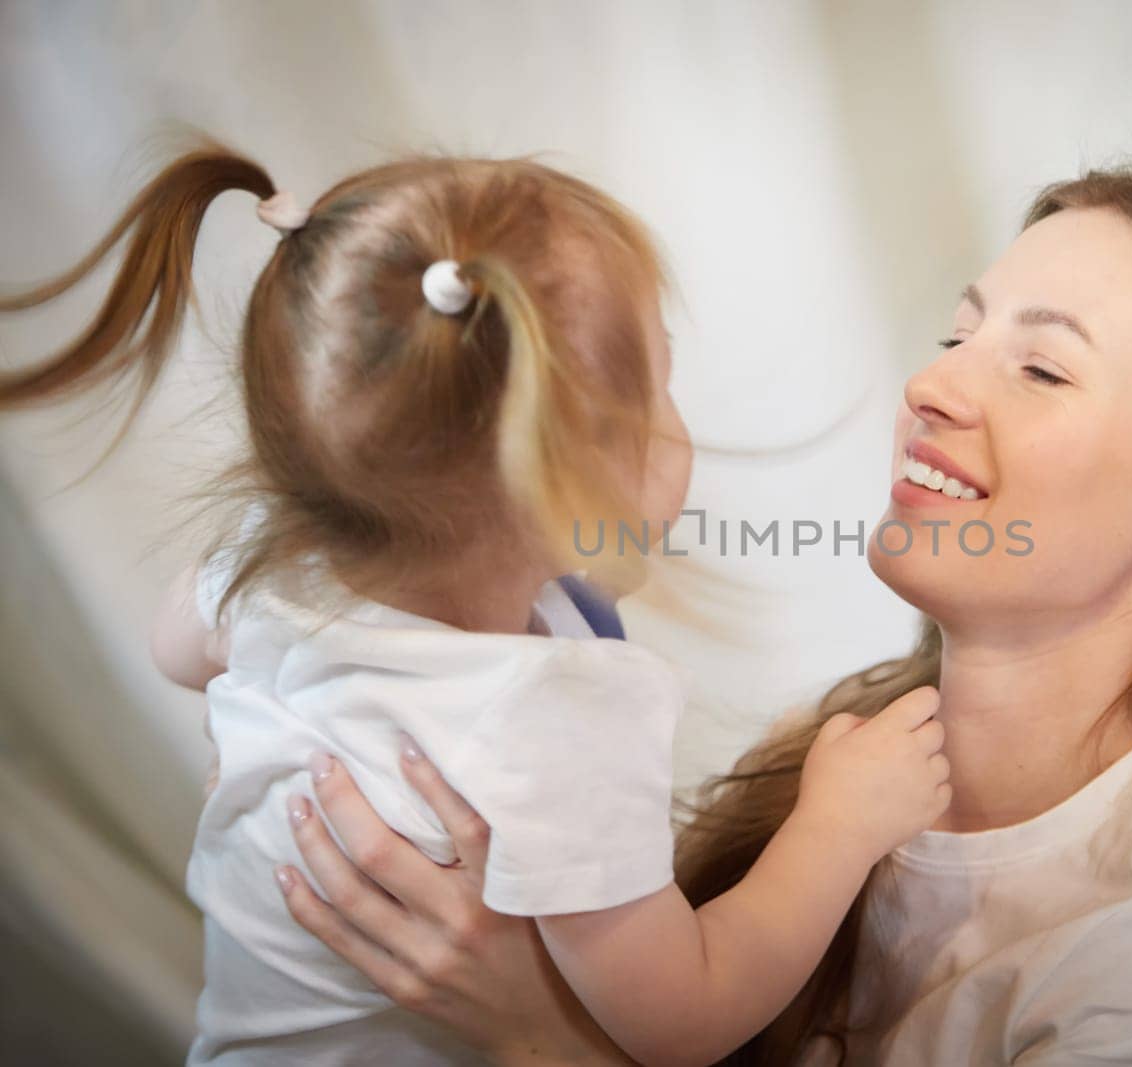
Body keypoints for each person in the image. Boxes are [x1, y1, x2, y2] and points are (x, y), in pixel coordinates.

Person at [274, 169, 1132, 1066]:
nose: (932, 388)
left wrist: (533, 1034)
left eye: (1038, 366)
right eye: (957, 335)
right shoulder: (847, 749)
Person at [0, 146, 953, 1067]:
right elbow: (687, 1015)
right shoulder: (554, 723)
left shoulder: (279, 556)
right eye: (661, 388)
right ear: (566, 484)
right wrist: (837, 826)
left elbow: (179, 647)